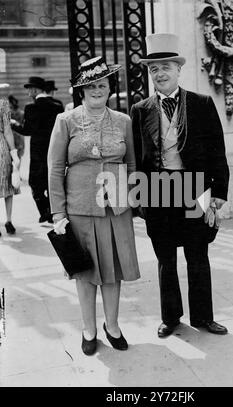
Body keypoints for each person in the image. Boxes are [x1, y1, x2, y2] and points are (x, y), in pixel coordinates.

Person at [131, 33, 230, 338]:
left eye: (165, 67)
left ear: (178, 69)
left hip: (194, 187)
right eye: (153, 69)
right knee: (165, 258)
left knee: (198, 254)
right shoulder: (140, 109)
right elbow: (135, 156)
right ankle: (170, 317)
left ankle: (203, 317)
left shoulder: (200, 103)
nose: (159, 74)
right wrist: (138, 199)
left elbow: (217, 149)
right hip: (156, 188)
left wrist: (219, 194)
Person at [48, 56, 140, 355]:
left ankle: (111, 326)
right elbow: (54, 167)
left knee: (113, 270)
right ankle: (88, 329)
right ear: (81, 91)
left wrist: (134, 201)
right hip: (80, 209)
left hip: (116, 208)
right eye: (90, 86)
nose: (97, 90)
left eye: (102, 84)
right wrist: (58, 212)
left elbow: (132, 164)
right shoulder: (66, 120)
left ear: (110, 87)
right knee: (85, 273)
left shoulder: (124, 121)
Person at [11, 76, 64, 223]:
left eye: (29, 89)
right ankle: (53, 212)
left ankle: (46, 211)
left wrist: (13, 124)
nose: (28, 92)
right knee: (52, 183)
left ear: (34, 90)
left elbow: (27, 131)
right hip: (55, 150)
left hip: (38, 153)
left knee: (35, 184)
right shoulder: (57, 106)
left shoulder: (31, 108)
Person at [0, 85, 20, 237]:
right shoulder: (3, 104)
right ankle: (8, 220)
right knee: (7, 184)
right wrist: (13, 152)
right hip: (2, 147)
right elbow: (7, 130)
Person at [8, 95, 25, 159]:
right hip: (18, 136)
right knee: (18, 156)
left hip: (14, 136)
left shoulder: (9, 114)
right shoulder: (21, 113)